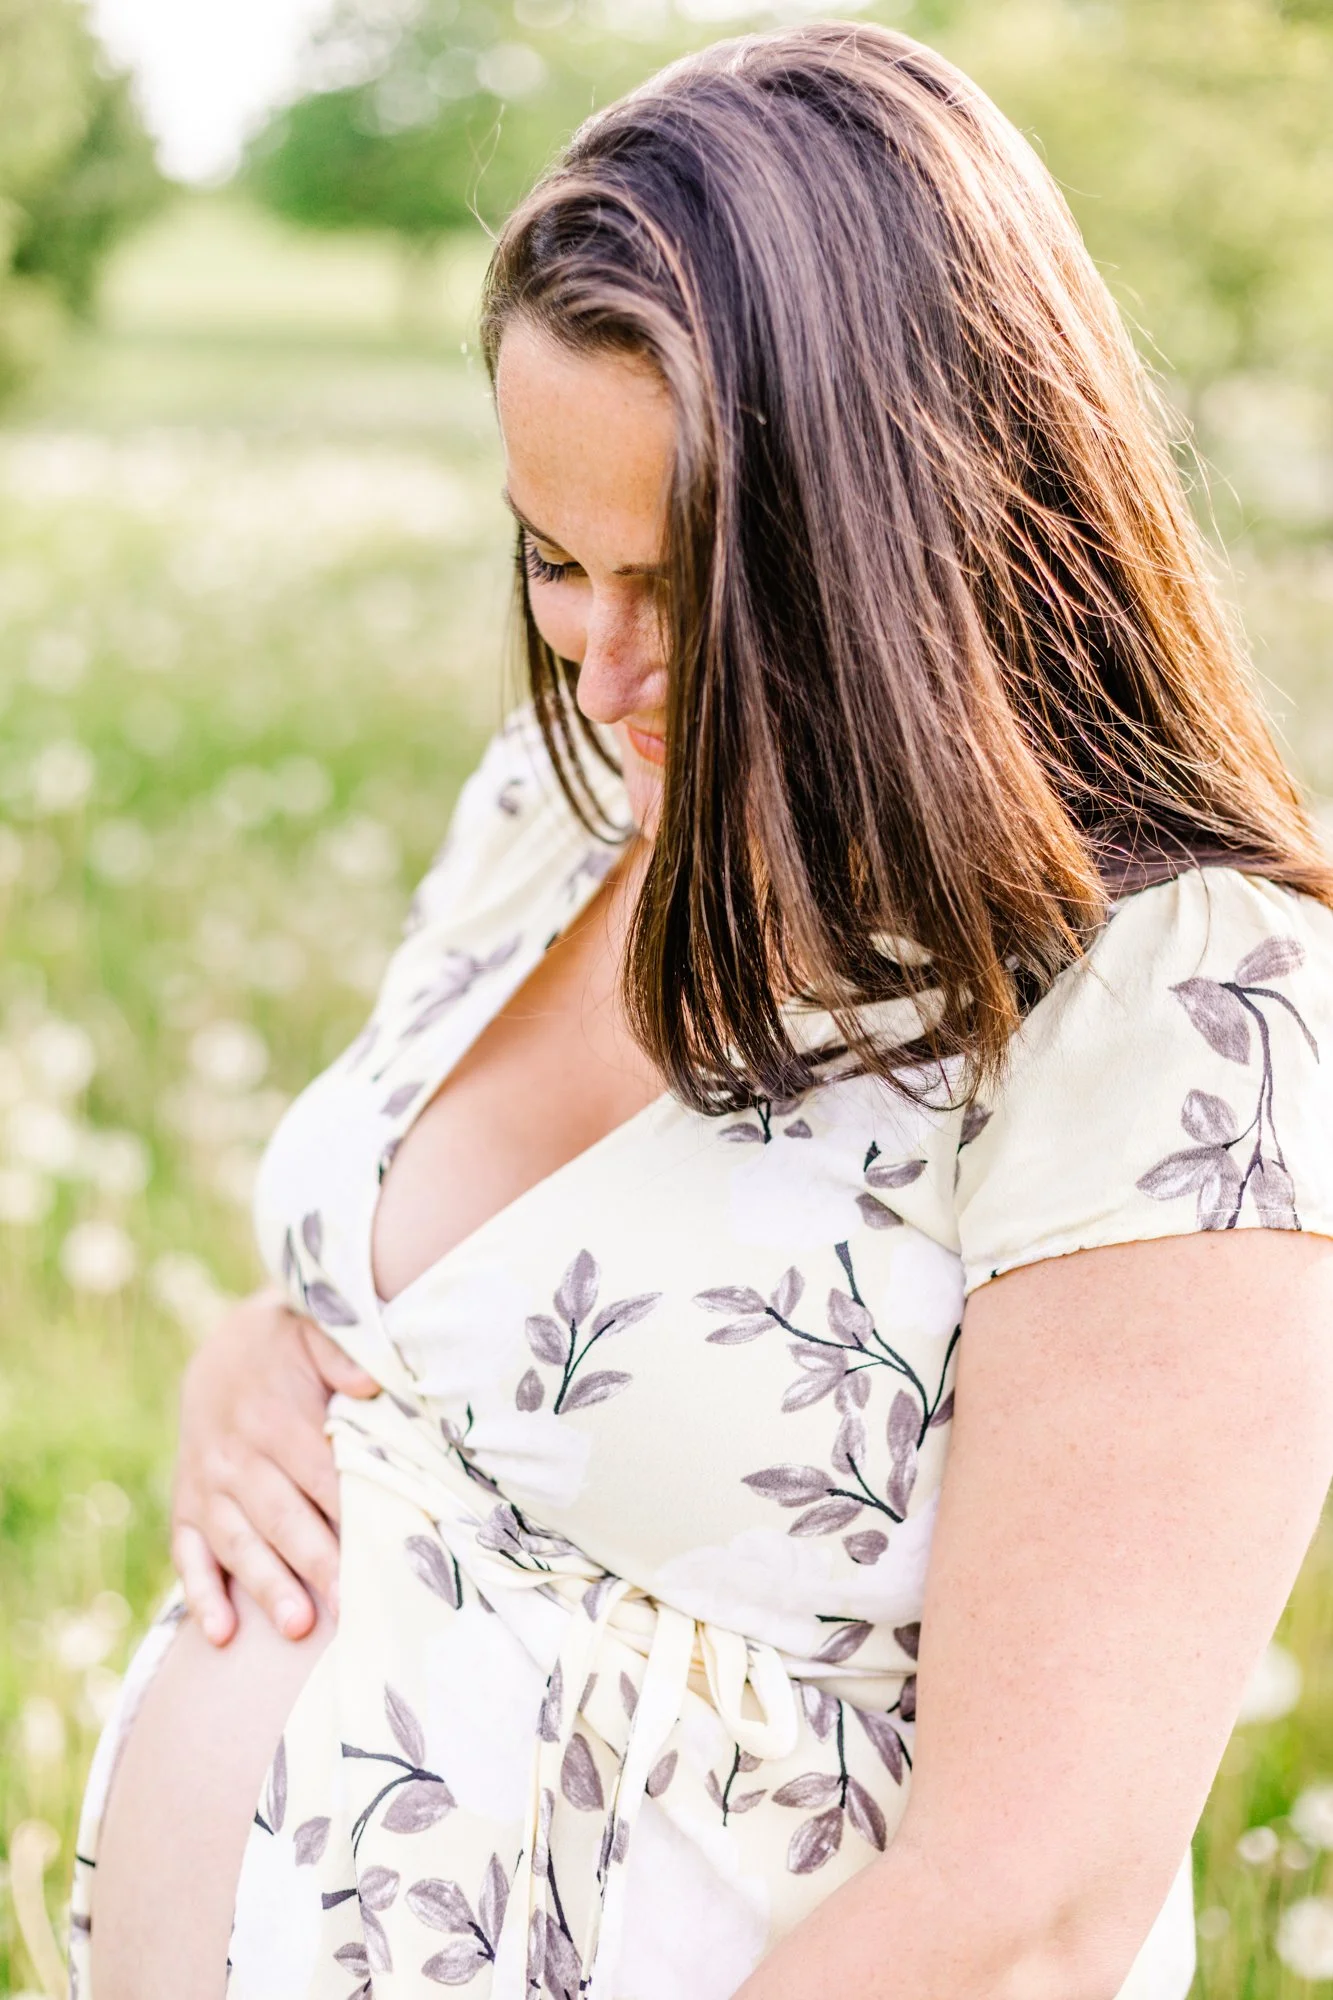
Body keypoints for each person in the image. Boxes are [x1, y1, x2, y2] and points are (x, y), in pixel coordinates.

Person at [70, 21, 1333, 2000]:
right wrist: (254, 1363)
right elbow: (431, 1333)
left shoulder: (1178, 1007)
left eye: (683, 582)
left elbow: (1030, 1902)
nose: (598, 656)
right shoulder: (567, 812)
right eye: (551, 558)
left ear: (923, 537)